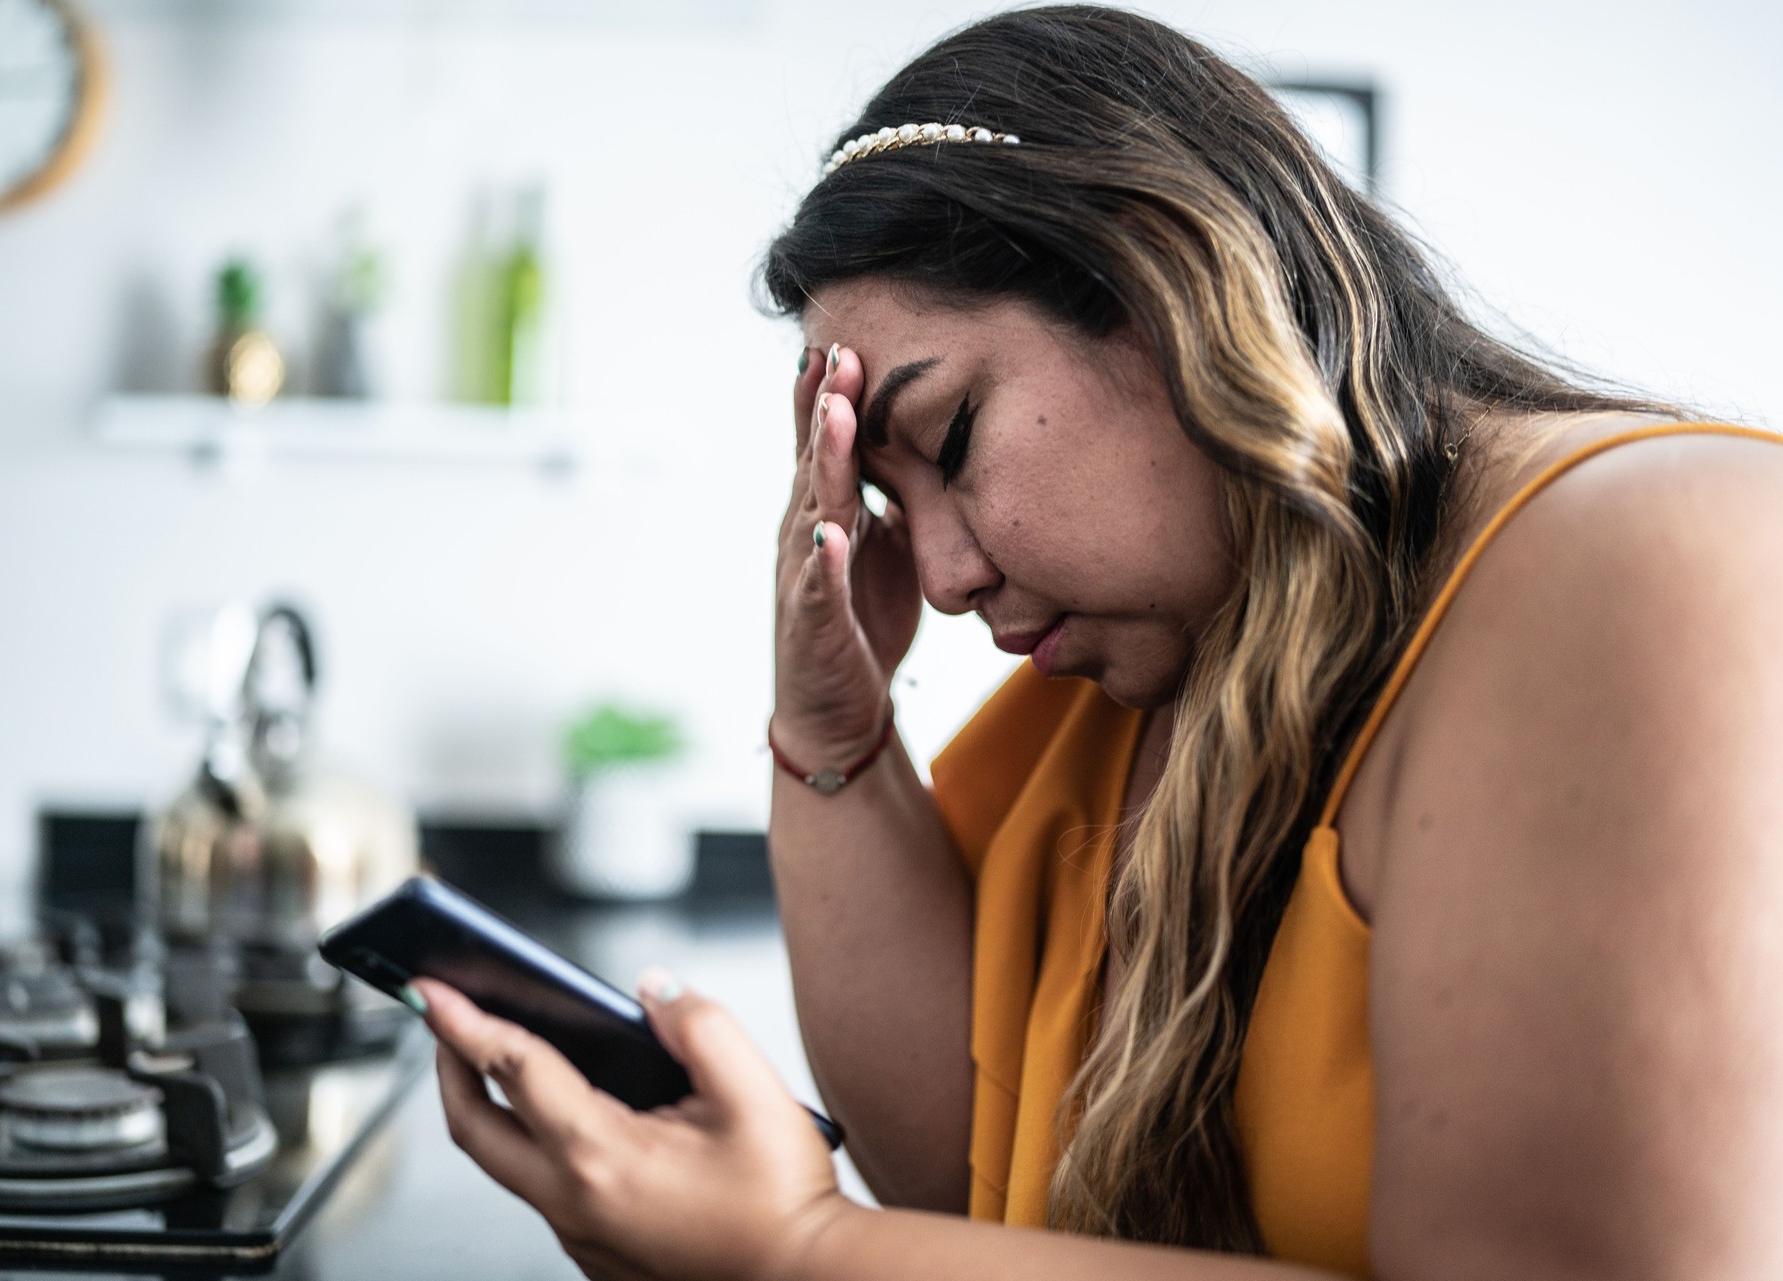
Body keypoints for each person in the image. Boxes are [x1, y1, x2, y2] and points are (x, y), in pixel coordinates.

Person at [406, 6, 1783, 1278]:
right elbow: (970, 1187)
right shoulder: (1175, 663)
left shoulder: (1651, 553)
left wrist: (802, 1252)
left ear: (1173, 279)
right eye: (891, 501)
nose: (939, 577)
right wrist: (832, 727)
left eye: (952, 438)